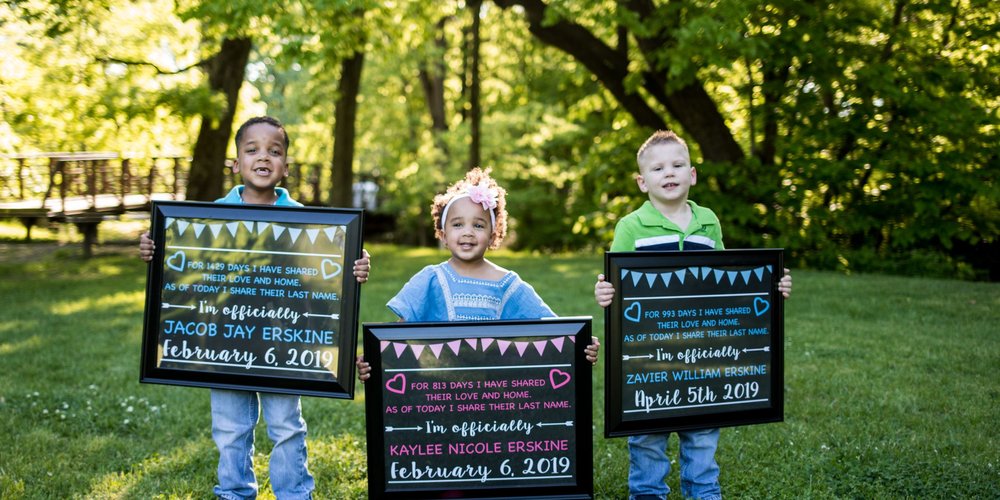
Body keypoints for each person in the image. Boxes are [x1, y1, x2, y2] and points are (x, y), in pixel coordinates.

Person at [139, 116, 372, 500]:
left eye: (274, 151)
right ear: (235, 164)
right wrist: (154, 248)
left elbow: (325, 273)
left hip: (283, 345)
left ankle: (295, 494)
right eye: (252, 150)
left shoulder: (309, 222)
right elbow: (182, 263)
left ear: (285, 167)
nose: (263, 157)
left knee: (287, 426)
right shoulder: (209, 216)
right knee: (230, 427)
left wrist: (356, 266)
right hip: (222, 342)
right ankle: (233, 492)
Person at [594, 130, 792, 500]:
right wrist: (605, 292)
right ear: (642, 181)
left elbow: (727, 282)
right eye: (657, 168)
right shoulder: (631, 227)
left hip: (702, 353)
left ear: (693, 174)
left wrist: (771, 287)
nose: (668, 173)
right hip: (648, 358)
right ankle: (649, 494)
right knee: (647, 437)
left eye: (677, 165)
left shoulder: (708, 222)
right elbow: (614, 281)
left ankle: (704, 493)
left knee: (701, 435)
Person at [356, 167, 599, 382]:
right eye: (458, 224)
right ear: (442, 233)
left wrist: (582, 345)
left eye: (479, 225)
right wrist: (375, 359)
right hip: (437, 392)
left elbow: (551, 330)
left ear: (494, 234)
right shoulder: (430, 280)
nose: (468, 233)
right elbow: (398, 334)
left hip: (495, 395)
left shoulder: (508, 284)